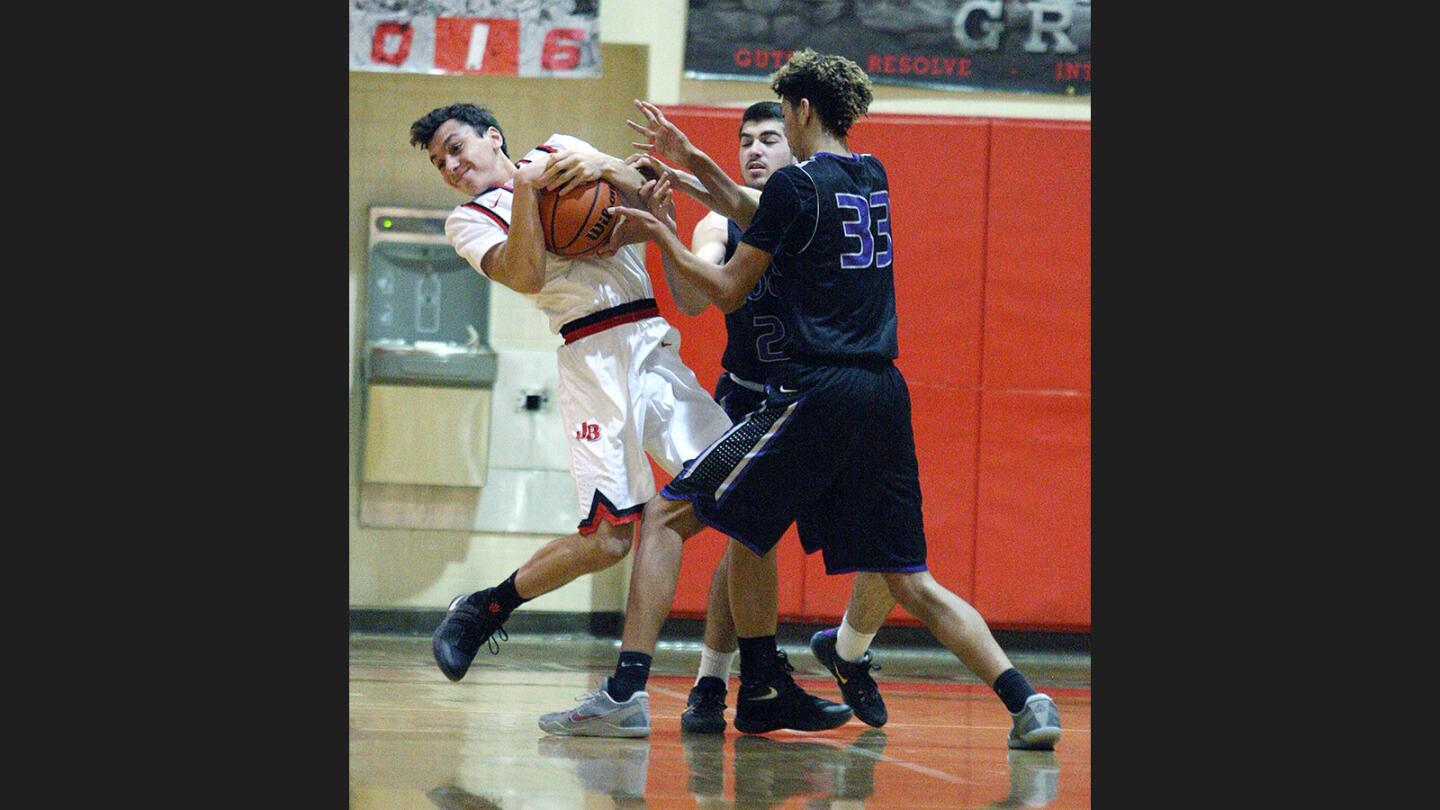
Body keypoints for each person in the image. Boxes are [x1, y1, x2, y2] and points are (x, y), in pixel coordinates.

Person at [539, 51, 1062, 751]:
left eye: (781, 116)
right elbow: (761, 209)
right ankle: (1027, 702)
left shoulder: (794, 188)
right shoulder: (869, 175)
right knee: (908, 578)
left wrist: (658, 228)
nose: (778, 126)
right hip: (883, 391)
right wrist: (693, 160)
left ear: (803, 112)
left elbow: (723, 291)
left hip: (814, 393)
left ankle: (626, 692)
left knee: (665, 516)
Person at [408, 105, 762, 739]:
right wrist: (527, 193)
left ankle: (723, 678)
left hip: (651, 338)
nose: (452, 166)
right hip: (590, 357)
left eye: (456, 148)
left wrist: (610, 172)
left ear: (494, 136)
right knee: (608, 540)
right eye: (440, 162)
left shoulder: (561, 147)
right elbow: (525, 272)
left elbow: (643, 205)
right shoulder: (465, 221)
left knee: (739, 486)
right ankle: (485, 607)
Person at [628, 101, 896, 733]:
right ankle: (711, 685)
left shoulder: (816, 205)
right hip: (753, 395)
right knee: (748, 538)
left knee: (890, 550)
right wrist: (669, 226)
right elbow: (697, 297)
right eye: (744, 139)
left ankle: (848, 651)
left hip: (819, 398)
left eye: (768, 137)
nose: (753, 148)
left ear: (797, 142)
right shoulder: (722, 223)